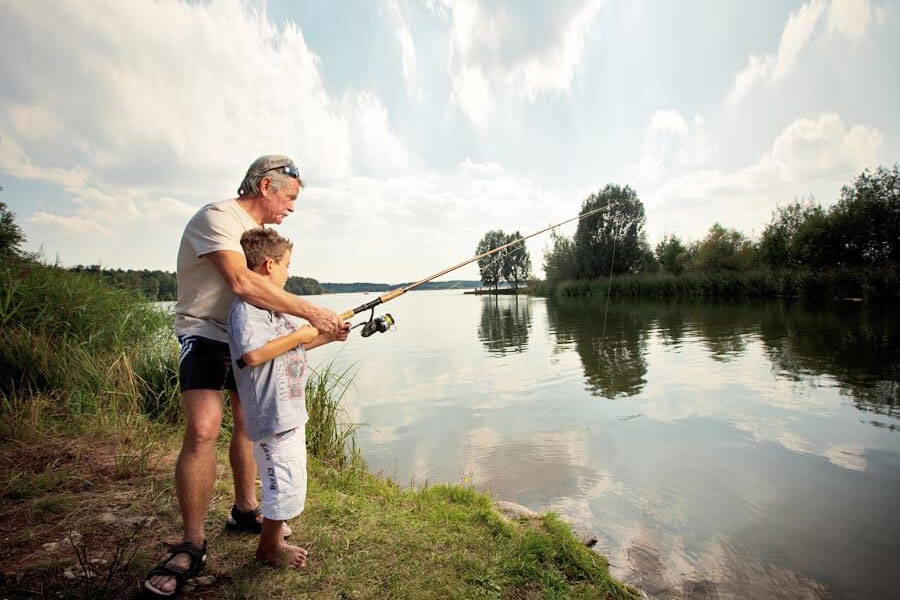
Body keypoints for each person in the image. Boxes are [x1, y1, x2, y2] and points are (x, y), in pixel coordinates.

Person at [144, 156, 346, 598]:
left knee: (248, 424)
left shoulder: (265, 236)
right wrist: (313, 312)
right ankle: (192, 544)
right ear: (264, 185)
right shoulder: (217, 217)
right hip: (207, 331)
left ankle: (245, 509)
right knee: (202, 429)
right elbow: (240, 281)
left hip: (249, 335)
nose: (292, 206)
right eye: (290, 197)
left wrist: (316, 334)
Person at [227, 227, 346, 567]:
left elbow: (297, 344)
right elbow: (252, 355)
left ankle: (273, 539)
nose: (289, 272)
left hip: (290, 410)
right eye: (287, 265)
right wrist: (303, 333)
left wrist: (328, 337)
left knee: (292, 479)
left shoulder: (275, 309)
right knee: (282, 484)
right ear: (268, 264)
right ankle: (268, 548)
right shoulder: (246, 308)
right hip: (270, 414)